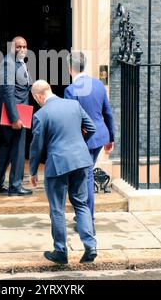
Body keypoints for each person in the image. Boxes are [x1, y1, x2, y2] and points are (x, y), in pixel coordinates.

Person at [29, 80, 97, 264]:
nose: (37, 102)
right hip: (82, 160)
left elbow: (36, 146)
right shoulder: (74, 104)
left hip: (58, 164)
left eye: (36, 99)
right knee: (81, 204)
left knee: (57, 209)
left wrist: (33, 171)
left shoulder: (41, 115)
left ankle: (60, 251)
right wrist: (78, 142)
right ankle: (90, 246)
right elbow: (91, 128)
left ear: (39, 96)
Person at [64, 52, 115, 231]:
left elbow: (71, 119)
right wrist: (111, 137)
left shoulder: (71, 90)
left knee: (85, 177)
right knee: (85, 175)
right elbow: (107, 113)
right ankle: (83, 216)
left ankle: (88, 221)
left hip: (84, 140)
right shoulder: (99, 84)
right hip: (100, 137)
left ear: (70, 68)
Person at [0, 36, 33, 196]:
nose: (22, 49)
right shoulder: (9, 62)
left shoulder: (20, 63)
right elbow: (8, 91)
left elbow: (24, 87)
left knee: (7, 148)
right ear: (11, 48)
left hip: (19, 111)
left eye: (24, 46)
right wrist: (14, 118)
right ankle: (15, 186)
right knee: (18, 149)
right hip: (13, 114)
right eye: (18, 46)